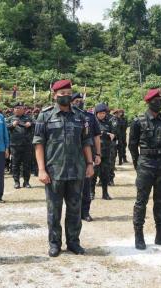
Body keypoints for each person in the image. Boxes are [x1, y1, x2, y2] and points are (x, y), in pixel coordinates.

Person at [33, 79, 94, 257]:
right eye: (62, 94)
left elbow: (86, 142)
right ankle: (54, 244)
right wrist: (41, 169)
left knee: (75, 209)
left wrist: (90, 164)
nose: (66, 97)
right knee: (54, 211)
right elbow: (39, 143)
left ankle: (74, 242)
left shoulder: (80, 116)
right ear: (55, 95)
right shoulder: (45, 116)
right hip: (54, 172)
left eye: (69, 93)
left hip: (77, 170)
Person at [128, 88, 161, 250]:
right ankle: (139, 235)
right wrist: (138, 163)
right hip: (146, 163)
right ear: (149, 102)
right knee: (141, 201)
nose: (160, 102)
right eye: (156, 100)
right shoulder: (138, 121)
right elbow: (132, 145)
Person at [71, 94, 101, 222]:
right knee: (71, 187)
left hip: (85, 157)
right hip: (70, 157)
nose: (79, 103)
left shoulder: (90, 117)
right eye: (76, 101)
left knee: (86, 186)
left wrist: (98, 154)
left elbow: (96, 137)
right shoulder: (68, 116)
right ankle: (73, 213)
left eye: (81, 101)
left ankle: (85, 212)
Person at [7, 101, 34, 189]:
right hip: (15, 145)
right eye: (16, 108)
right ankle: (16, 182)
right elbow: (5, 127)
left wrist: (31, 124)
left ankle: (26, 182)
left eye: (20, 108)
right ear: (14, 109)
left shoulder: (29, 118)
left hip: (27, 145)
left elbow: (37, 123)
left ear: (23, 109)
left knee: (27, 164)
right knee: (15, 164)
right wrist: (12, 125)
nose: (18, 109)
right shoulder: (10, 118)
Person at [92, 103, 114, 201]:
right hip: (95, 153)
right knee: (93, 174)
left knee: (105, 174)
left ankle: (105, 193)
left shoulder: (108, 123)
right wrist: (105, 133)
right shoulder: (93, 122)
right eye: (100, 113)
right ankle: (91, 192)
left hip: (106, 152)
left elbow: (114, 135)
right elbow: (93, 134)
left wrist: (108, 134)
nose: (102, 115)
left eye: (103, 113)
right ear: (96, 113)